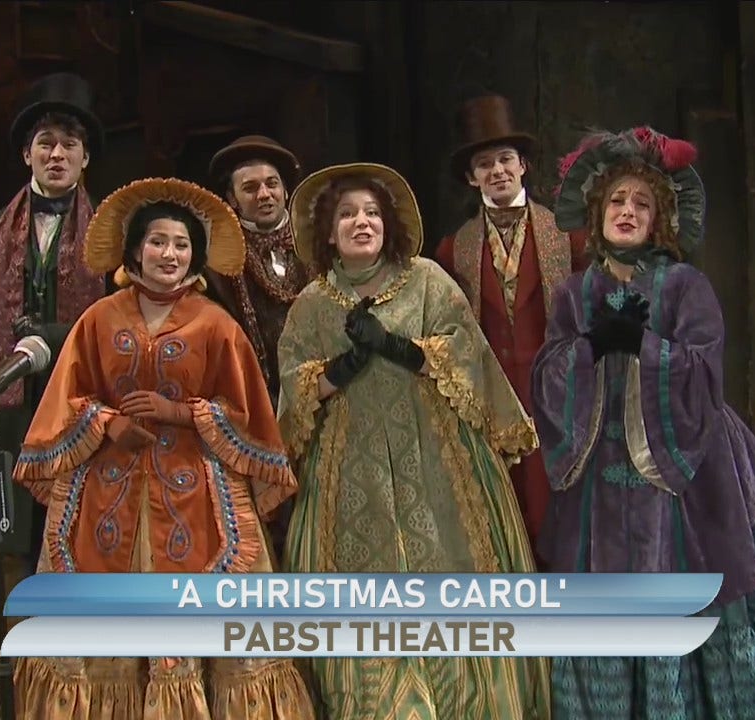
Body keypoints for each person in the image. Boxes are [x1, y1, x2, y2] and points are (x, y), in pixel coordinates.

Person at [530, 126, 755, 718]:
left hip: (686, 463)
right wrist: (592, 347)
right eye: (617, 201)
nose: (627, 212)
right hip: (599, 472)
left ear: (659, 218)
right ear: (597, 212)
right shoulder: (575, 293)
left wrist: (644, 344)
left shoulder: (687, 286)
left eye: (642, 204)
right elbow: (548, 374)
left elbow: (706, 371)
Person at [9, 177, 315, 719]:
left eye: (181, 244)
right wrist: (107, 423)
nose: (169, 254)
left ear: (195, 255)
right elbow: (67, 398)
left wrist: (182, 413)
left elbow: (246, 411)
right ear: (135, 251)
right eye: (157, 242)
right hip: (106, 489)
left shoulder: (216, 325)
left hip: (198, 489)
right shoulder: (98, 319)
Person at [276, 162, 552, 719]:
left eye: (372, 213)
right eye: (347, 214)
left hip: (435, 457)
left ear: (389, 223)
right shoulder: (311, 302)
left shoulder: (425, 279)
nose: (362, 222)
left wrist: (401, 348)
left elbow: (466, 351)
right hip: (350, 467)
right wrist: (339, 370)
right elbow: (293, 385)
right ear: (328, 232)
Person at [0, 72, 109, 574]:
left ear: (85, 158)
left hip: (81, 394)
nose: (57, 155)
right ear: (28, 154)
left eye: (69, 145)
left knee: (83, 515)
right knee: (23, 525)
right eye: (46, 143)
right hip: (15, 399)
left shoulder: (109, 231)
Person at [434, 93, 588, 555]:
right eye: (485, 164)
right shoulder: (454, 249)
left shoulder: (567, 237)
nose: (497, 171)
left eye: (505, 159)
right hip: (493, 400)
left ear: (523, 165)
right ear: (471, 177)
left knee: (555, 508)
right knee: (504, 513)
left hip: (555, 397)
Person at [203, 134, 313, 405]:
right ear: (232, 198)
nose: (264, 195)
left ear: (285, 190)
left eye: (272, 184)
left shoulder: (317, 245)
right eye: (250, 188)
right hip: (256, 397)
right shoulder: (219, 263)